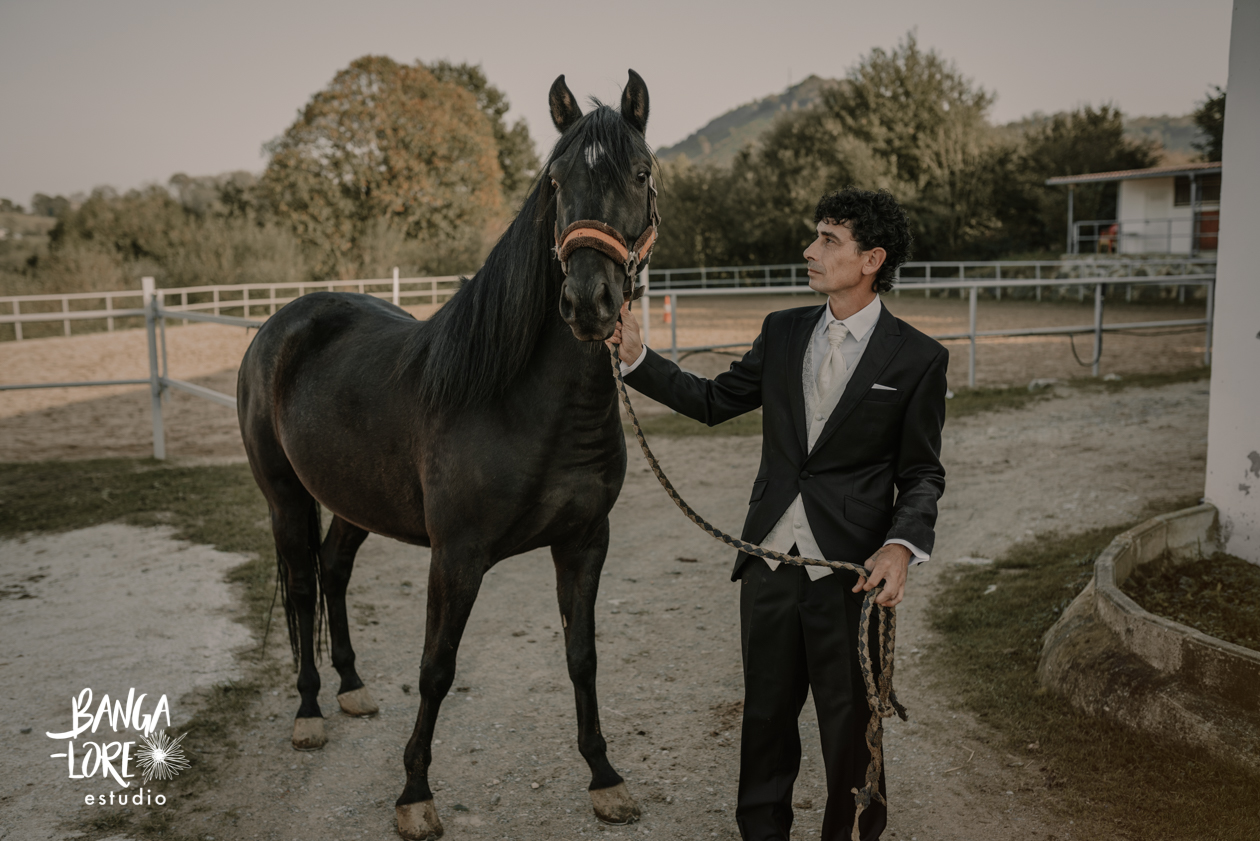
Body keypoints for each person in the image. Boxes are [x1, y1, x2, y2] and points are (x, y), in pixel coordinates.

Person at [606, 187, 947, 841]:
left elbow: (922, 472)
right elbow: (712, 400)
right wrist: (639, 360)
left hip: (853, 574)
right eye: (815, 236)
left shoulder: (918, 357)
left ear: (871, 258)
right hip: (767, 563)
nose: (809, 250)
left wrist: (903, 546)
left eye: (828, 240)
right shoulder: (783, 329)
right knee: (763, 718)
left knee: (852, 725)